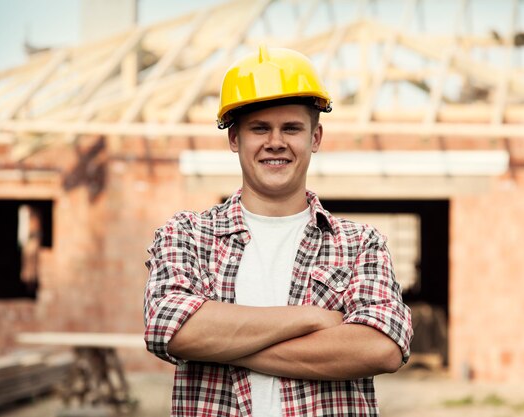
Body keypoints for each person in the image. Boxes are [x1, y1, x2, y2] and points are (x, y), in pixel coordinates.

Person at [144, 45, 413, 417]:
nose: (275, 142)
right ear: (234, 139)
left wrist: (223, 342)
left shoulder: (359, 244)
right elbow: (171, 328)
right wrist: (310, 317)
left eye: (291, 128)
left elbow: (381, 347)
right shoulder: (187, 235)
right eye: (259, 128)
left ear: (314, 138)